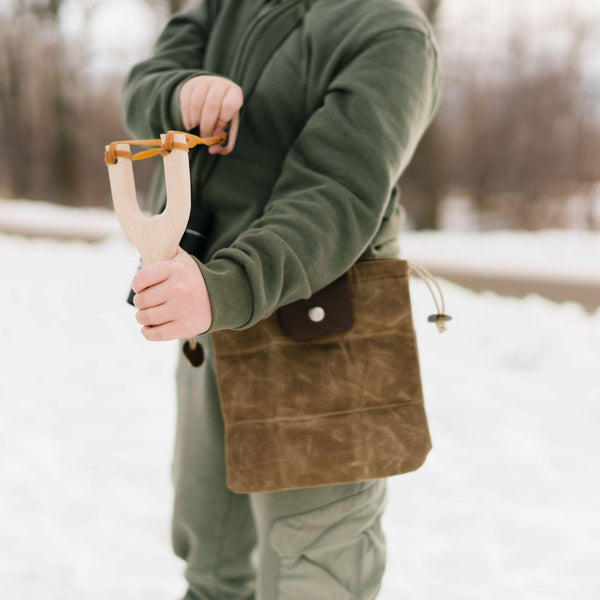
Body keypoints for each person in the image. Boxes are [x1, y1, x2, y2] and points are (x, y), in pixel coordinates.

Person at [123, 0, 441, 598]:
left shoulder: (390, 31)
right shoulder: (225, 6)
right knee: (210, 563)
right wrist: (182, 93)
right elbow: (142, 88)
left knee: (316, 571)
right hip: (211, 323)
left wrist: (222, 289)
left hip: (320, 340)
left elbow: (337, 191)